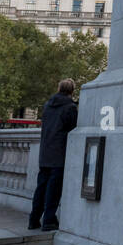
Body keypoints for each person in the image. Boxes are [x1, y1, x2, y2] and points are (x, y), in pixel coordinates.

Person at [29, 79, 78, 232]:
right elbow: (73, 129)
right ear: (72, 91)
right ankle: (49, 220)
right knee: (53, 190)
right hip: (59, 154)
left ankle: (34, 219)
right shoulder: (70, 108)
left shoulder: (47, 106)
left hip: (45, 153)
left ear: (59, 88)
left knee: (41, 188)